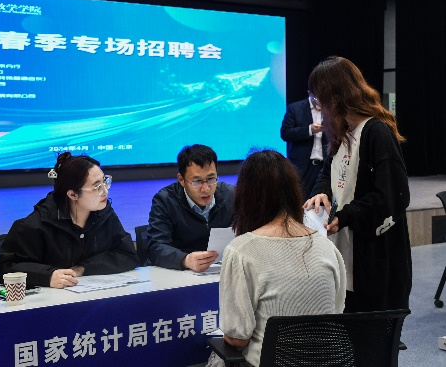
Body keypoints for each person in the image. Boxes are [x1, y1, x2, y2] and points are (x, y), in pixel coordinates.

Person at [207, 149, 346, 367]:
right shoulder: (327, 247)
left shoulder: (241, 251)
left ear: (246, 196)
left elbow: (237, 339)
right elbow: (335, 314)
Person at [304, 56, 412, 313]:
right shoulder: (343, 133)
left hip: (373, 259)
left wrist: (345, 216)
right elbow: (327, 174)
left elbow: (391, 197)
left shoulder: (376, 132)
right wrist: (321, 193)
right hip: (346, 252)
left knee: (371, 332)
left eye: (319, 99)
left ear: (335, 96)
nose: (318, 107)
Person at [0, 152, 138, 288]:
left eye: (105, 181)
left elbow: (127, 255)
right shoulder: (34, 226)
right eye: (97, 187)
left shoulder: (104, 215)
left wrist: (83, 268)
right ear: (73, 194)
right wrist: (48, 276)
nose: (105, 191)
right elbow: (5, 268)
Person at [146, 144, 235, 272]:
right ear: (181, 180)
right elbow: (156, 247)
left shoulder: (231, 195)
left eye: (211, 179)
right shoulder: (165, 201)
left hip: (221, 272)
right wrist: (185, 260)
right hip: (180, 274)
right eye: (197, 182)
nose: (206, 189)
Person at [280, 90, 327, 201]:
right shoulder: (295, 108)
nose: (319, 101)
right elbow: (285, 133)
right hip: (303, 166)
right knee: (300, 200)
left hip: (324, 165)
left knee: (321, 201)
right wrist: (309, 130)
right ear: (309, 93)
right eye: (316, 98)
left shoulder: (330, 108)